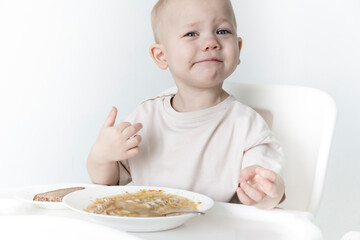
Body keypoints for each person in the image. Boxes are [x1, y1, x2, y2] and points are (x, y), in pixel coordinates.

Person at [87, 0, 285, 209]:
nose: (211, 42)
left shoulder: (248, 126)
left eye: (222, 31)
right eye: (192, 34)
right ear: (162, 56)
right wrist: (102, 156)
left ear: (238, 48)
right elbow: (108, 182)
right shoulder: (144, 119)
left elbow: (267, 192)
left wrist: (266, 191)